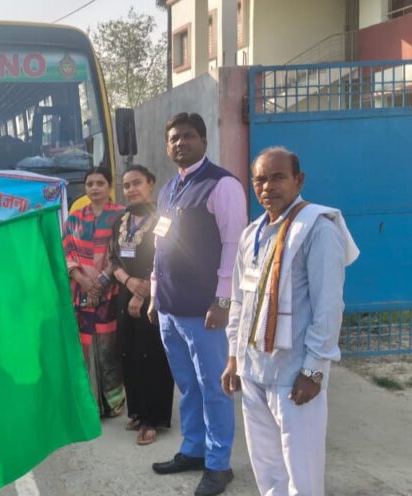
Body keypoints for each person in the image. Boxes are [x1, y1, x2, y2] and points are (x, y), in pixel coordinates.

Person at [221, 147, 359, 496]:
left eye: (278, 177)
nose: (268, 186)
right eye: (260, 180)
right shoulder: (252, 233)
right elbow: (239, 301)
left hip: (294, 375)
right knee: (268, 470)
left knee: (303, 474)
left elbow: (329, 307)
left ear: (299, 180)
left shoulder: (317, 229)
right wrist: (234, 357)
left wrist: (314, 370)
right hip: (253, 371)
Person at [147, 113, 247, 496]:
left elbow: (234, 247)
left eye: (188, 136)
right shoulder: (169, 188)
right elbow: (160, 244)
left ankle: (219, 465)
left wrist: (223, 299)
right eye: (174, 138)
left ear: (204, 141)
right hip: (170, 308)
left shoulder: (222, 185)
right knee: (188, 385)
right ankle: (193, 449)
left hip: (205, 312)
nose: (180, 143)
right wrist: (155, 294)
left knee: (214, 388)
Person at [103, 165, 174, 447]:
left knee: (151, 354)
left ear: (151, 184)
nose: (131, 189)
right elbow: (113, 258)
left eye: (137, 183)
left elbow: (164, 258)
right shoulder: (120, 220)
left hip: (154, 295)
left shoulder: (163, 219)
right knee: (128, 352)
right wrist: (128, 282)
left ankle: (152, 419)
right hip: (125, 293)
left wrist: (142, 291)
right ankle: (136, 411)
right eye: (126, 185)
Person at [62, 166, 125, 418]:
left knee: (109, 347)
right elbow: (67, 251)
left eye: (100, 183)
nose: (95, 188)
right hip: (81, 293)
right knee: (84, 347)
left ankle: (113, 402)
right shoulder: (74, 218)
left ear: (109, 187)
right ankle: (90, 403)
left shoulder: (120, 215)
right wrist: (81, 279)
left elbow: (120, 251)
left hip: (112, 292)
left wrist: (101, 281)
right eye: (90, 184)